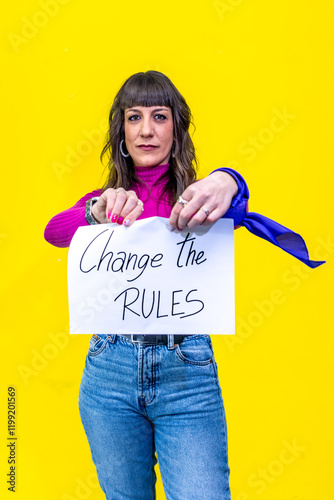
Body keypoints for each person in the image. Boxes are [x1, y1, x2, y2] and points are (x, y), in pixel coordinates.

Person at [44, 71, 324, 500]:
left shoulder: (198, 200)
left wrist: (228, 178)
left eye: (159, 116)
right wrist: (95, 210)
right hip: (109, 371)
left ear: (177, 126)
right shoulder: (106, 202)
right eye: (133, 117)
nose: (147, 130)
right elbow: (54, 232)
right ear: (121, 131)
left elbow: (237, 202)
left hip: (186, 373)